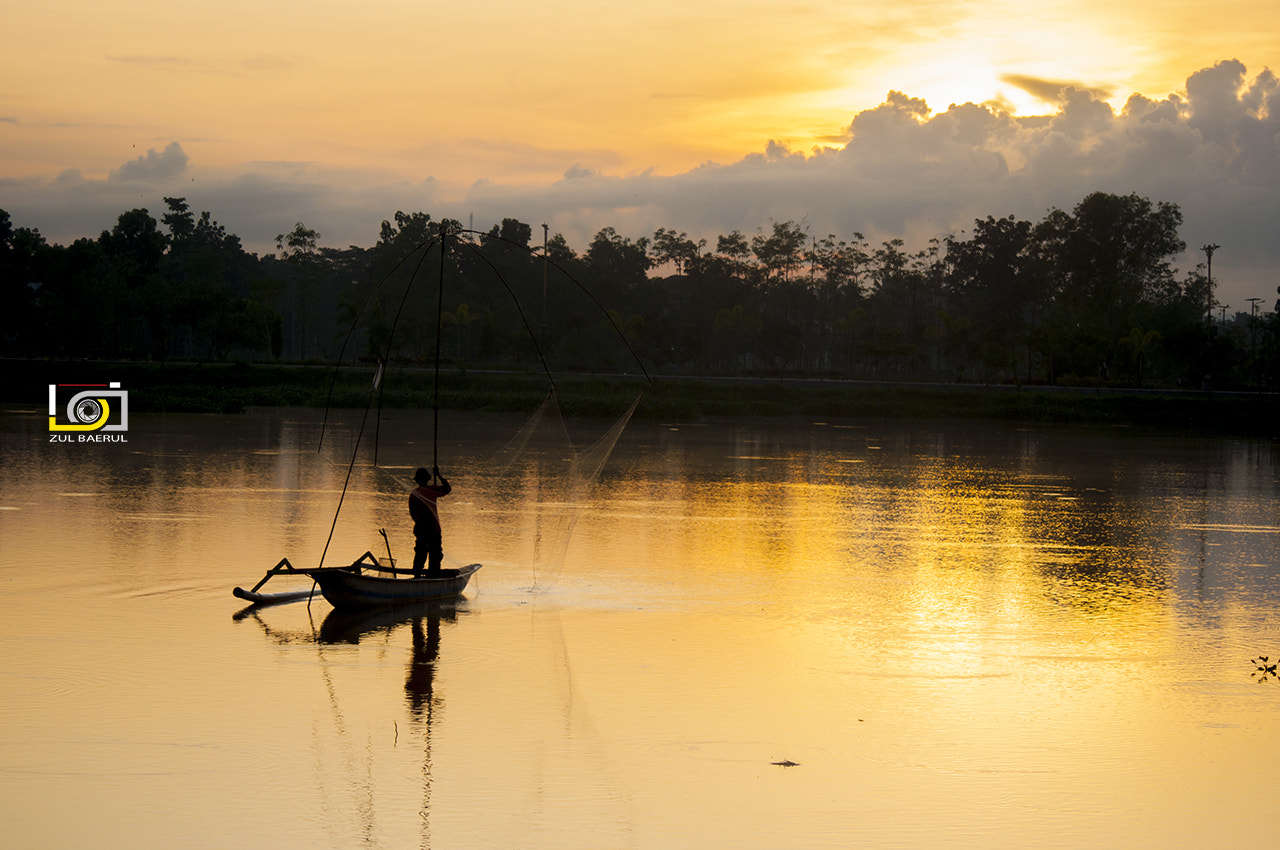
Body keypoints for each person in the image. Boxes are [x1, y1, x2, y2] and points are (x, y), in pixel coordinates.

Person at [409, 466, 451, 575]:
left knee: (420, 556)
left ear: (418, 481)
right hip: (433, 530)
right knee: (435, 556)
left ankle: (417, 577)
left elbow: (413, 514)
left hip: (421, 530)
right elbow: (447, 489)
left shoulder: (414, 494)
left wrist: (419, 522)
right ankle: (432, 576)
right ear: (427, 480)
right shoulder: (431, 490)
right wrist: (439, 475)